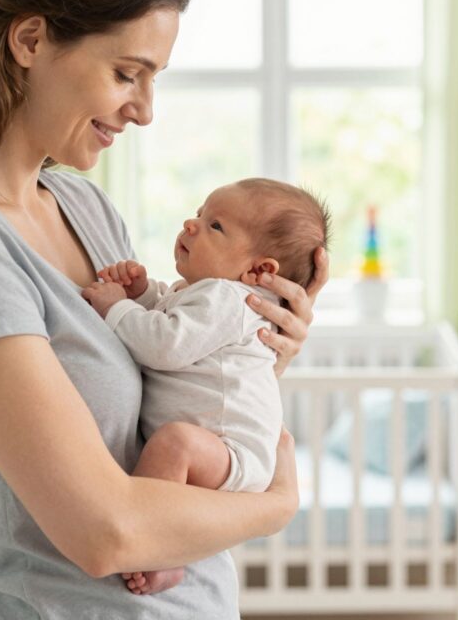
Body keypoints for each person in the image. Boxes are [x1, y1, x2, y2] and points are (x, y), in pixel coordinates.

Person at [0, 0, 327, 619]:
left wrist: (258, 347)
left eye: (153, 79)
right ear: (30, 40)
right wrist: (276, 505)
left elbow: (161, 400)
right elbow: (105, 533)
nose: (144, 110)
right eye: (126, 74)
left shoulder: (82, 207)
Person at [82, 178, 330, 596]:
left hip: (230, 449)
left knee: (175, 444)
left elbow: (165, 344)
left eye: (215, 226)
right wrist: (142, 294)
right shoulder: (200, 294)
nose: (191, 224)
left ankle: (162, 552)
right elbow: (169, 319)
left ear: (259, 271)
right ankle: (168, 549)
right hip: (224, 449)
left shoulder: (228, 299)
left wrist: (115, 306)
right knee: (174, 444)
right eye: (199, 213)